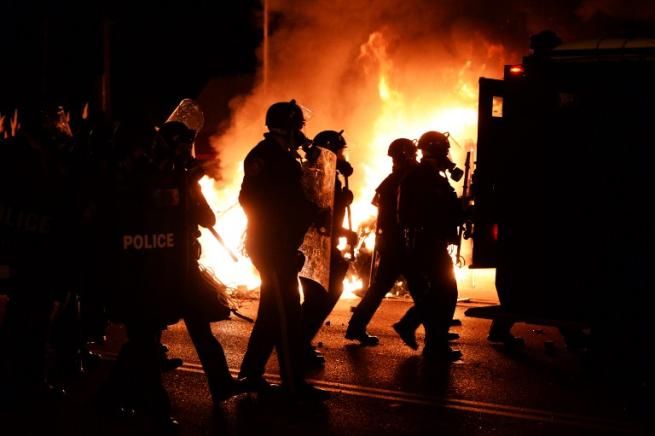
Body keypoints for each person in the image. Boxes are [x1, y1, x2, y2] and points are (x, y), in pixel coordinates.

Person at [237, 100, 330, 402]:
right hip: (273, 247)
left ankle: (251, 374)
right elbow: (255, 200)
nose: (301, 133)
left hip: (280, 245)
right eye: (299, 127)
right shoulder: (267, 157)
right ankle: (293, 384)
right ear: (289, 127)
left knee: (272, 313)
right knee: (288, 314)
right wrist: (306, 214)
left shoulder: (281, 156)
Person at [393, 131, 462, 360]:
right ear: (437, 151)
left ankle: (433, 341)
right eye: (445, 150)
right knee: (445, 292)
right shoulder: (422, 176)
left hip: (429, 242)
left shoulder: (428, 175)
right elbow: (431, 210)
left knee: (442, 292)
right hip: (426, 243)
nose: (447, 156)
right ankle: (421, 334)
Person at [345, 138, 419, 345]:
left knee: (380, 288)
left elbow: (378, 203)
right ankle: (427, 332)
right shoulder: (407, 178)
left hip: (391, 242)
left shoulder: (393, 178)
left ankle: (356, 327)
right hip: (402, 243)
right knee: (423, 290)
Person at [300, 129, 357, 368]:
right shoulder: (316, 176)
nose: (343, 157)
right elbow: (318, 216)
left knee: (323, 295)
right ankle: (297, 344)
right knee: (317, 298)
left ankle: (298, 341)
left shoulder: (329, 175)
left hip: (325, 245)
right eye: (340, 153)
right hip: (315, 248)